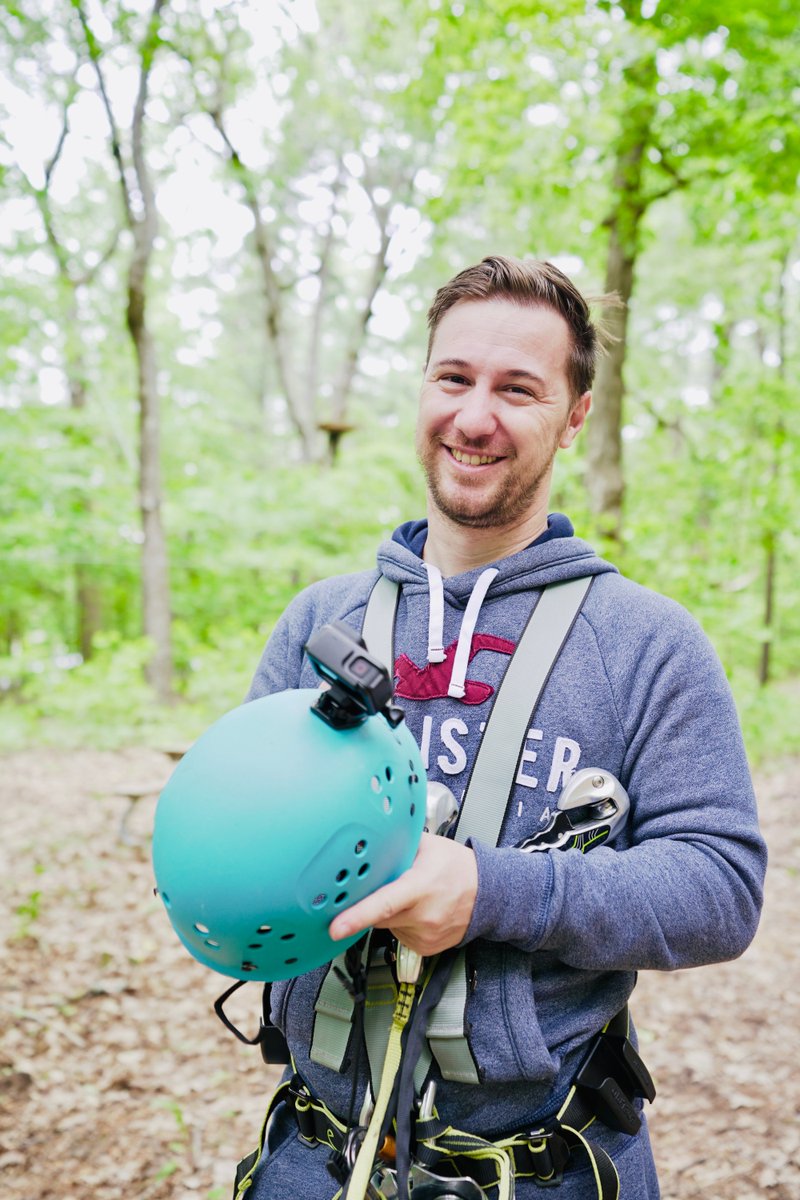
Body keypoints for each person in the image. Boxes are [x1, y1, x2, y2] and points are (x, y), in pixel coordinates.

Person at [239, 255, 767, 1199]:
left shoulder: (649, 644)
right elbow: (244, 839)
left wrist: (493, 890)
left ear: (574, 416)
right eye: (454, 378)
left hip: (546, 1167)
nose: (474, 417)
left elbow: (721, 888)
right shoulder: (319, 624)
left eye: (517, 388)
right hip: (309, 1159)